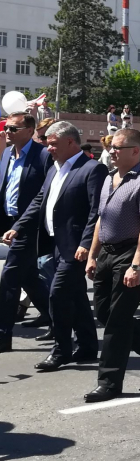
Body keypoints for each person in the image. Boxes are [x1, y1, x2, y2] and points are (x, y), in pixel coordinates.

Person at [3, 121, 106, 371]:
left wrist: (86, 244)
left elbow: (97, 212)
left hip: (76, 246)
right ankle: (88, 345)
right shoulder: (55, 169)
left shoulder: (93, 169)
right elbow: (40, 200)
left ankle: (61, 350)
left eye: (53, 145)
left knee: (57, 295)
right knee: (77, 296)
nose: (49, 150)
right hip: (55, 244)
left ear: (70, 142)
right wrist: (18, 226)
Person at [83, 129, 140, 403]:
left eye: (118, 147)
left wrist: (137, 266)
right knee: (104, 313)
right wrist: (92, 255)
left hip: (130, 254)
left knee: (117, 322)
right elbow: (101, 220)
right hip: (107, 252)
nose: (112, 151)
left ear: (136, 151)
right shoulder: (110, 179)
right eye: (111, 147)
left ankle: (109, 382)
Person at [0, 112, 52, 352]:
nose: (7, 132)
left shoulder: (43, 156)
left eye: (13, 129)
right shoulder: (9, 154)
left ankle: (3, 334)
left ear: (30, 131)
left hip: (30, 227)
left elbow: (45, 194)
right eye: (7, 128)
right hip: (10, 224)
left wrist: (21, 225)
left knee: (9, 278)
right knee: (29, 276)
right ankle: (54, 317)